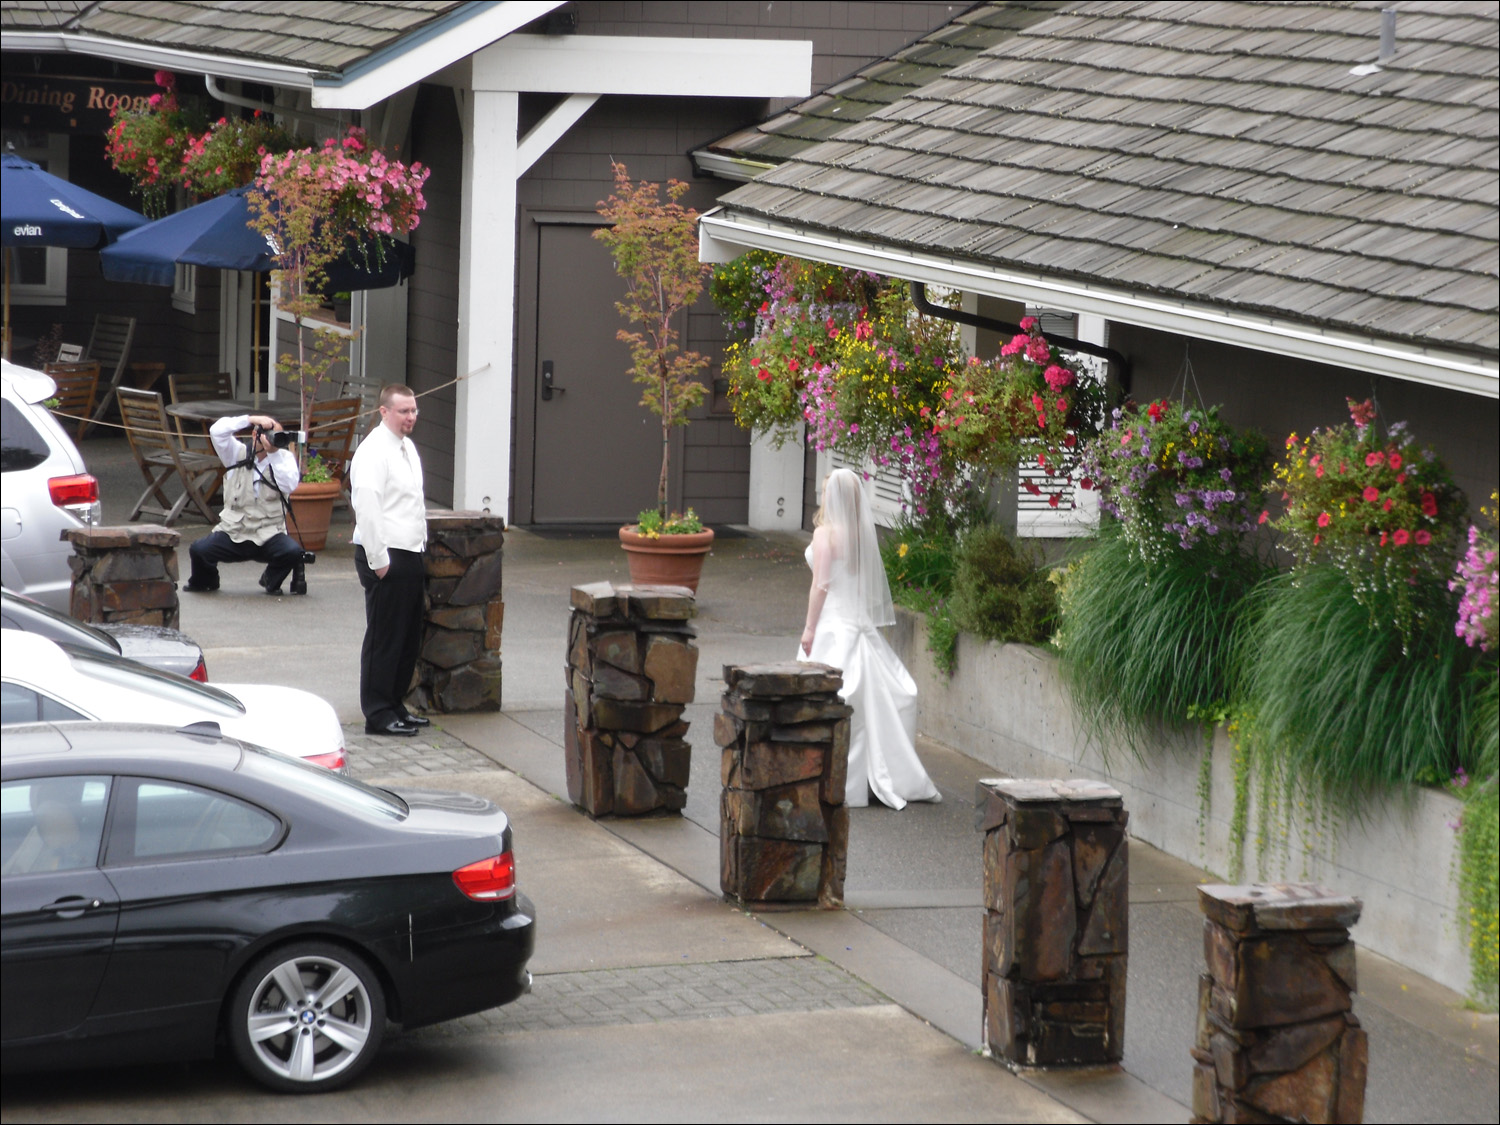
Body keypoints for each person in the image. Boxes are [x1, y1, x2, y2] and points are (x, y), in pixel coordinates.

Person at [798, 468, 941, 809]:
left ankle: (830, 779)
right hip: (858, 623)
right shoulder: (861, 536)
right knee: (873, 700)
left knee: (834, 699)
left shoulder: (825, 535)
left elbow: (821, 585)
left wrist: (809, 627)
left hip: (834, 624)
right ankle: (867, 779)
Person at [350, 384, 429, 737]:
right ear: (384, 412)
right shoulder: (372, 452)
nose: (410, 417)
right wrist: (379, 561)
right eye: (403, 411)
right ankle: (378, 713)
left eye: (413, 411)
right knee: (385, 636)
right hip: (384, 554)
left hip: (410, 551)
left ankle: (395, 703)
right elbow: (367, 508)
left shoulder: (406, 447)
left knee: (407, 637)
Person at [184, 414, 304, 595]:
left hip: (269, 533)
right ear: (255, 435)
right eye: (268, 435)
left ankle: (270, 580)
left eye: (276, 436)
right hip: (235, 532)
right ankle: (206, 581)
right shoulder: (235, 453)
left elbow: (289, 485)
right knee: (199, 550)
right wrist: (250, 419)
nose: (272, 440)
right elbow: (216, 431)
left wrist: (273, 455)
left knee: (292, 552)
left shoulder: (284, 458)